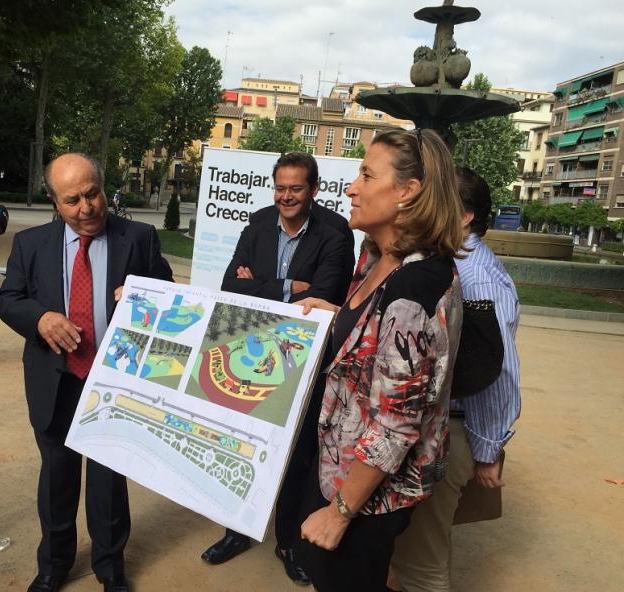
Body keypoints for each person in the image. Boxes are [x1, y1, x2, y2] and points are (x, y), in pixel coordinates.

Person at [294, 128, 464, 592]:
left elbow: (396, 424)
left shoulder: (416, 286)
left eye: (367, 175)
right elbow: (375, 343)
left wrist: (339, 514)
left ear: (408, 192)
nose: (351, 187)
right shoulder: (377, 258)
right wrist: (337, 316)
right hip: (340, 466)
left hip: (368, 497)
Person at [0, 153, 173, 592]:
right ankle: (54, 565)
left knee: (108, 481)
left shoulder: (141, 237)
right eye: (72, 199)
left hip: (114, 381)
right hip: (54, 380)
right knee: (56, 476)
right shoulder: (30, 243)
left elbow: (168, 295)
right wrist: (39, 319)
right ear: (55, 202)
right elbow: (9, 298)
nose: (86, 208)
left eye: (92, 194)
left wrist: (144, 296)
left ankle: (110, 567)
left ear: (102, 186)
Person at [201, 151, 355, 585]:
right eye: (281, 187)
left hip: (306, 361)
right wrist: (289, 287)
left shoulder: (336, 232)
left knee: (299, 454)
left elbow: (324, 295)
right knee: (243, 442)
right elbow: (231, 284)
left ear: (314, 189)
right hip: (250, 352)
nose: (286, 196)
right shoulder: (258, 222)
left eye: (296, 188)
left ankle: (289, 542)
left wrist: (261, 287)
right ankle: (237, 530)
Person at [388, 167, 521, 592]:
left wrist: (487, 449)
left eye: (433, 200)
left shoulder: (476, 275)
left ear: (464, 217)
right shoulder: (449, 262)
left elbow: (494, 369)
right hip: (442, 426)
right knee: (407, 551)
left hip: (456, 429)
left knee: (421, 564)